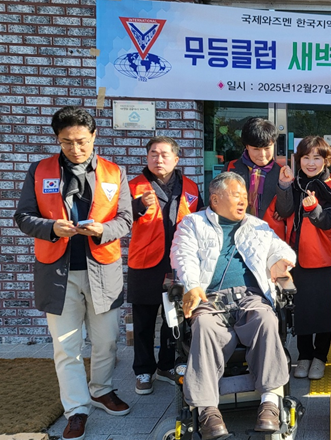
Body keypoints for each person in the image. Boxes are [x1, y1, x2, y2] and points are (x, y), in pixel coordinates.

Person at [14, 106, 133, 440]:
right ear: (57, 139)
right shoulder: (39, 170)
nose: (75, 148)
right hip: (57, 271)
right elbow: (23, 216)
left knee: (106, 341)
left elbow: (125, 218)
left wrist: (103, 229)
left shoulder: (114, 172)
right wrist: (52, 227)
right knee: (67, 345)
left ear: (94, 136)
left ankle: (101, 390)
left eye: (82, 141)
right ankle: (76, 409)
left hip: (103, 270)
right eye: (67, 142)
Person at [170, 171, 296, 440]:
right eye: (236, 195)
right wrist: (192, 284)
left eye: (244, 196)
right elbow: (183, 255)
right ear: (215, 199)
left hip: (250, 296)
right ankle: (208, 411)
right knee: (204, 326)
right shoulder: (193, 223)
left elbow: (280, 249)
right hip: (210, 298)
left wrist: (280, 261)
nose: (243, 201)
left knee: (266, 320)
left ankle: (270, 403)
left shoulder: (256, 225)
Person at [127, 136, 203, 395]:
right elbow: (119, 219)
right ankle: (143, 370)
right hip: (144, 262)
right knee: (144, 320)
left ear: (176, 159)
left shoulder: (190, 187)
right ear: (147, 156)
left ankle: (167, 365)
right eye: (153, 154)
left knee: (175, 319)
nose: (158, 159)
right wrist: (139, 205)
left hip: (178, 261)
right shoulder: (134, 186)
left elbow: (199, 220)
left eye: (164, 154)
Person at [276, 136, 331, 380]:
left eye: (317, 157)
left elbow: (328, 221)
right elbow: (284, 211)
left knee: (324, 310)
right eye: (306, 157)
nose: (311, 163)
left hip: (325, 256)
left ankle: (320, 357)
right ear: (299, 160)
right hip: (297, 256)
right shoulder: (295, 183)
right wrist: (284, 186)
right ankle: (304, 355)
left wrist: (313, 208)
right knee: (302, 310)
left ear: (327, 160)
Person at [225, 117, 286, 239]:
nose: (262, 155)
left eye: (267, 148)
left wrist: (285, 187)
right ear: (247, 146)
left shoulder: (282, 172)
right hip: (237, 236)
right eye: (256, 149)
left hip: (271, 238)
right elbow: (219, 203)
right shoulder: (230, 168)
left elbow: (287, 210)